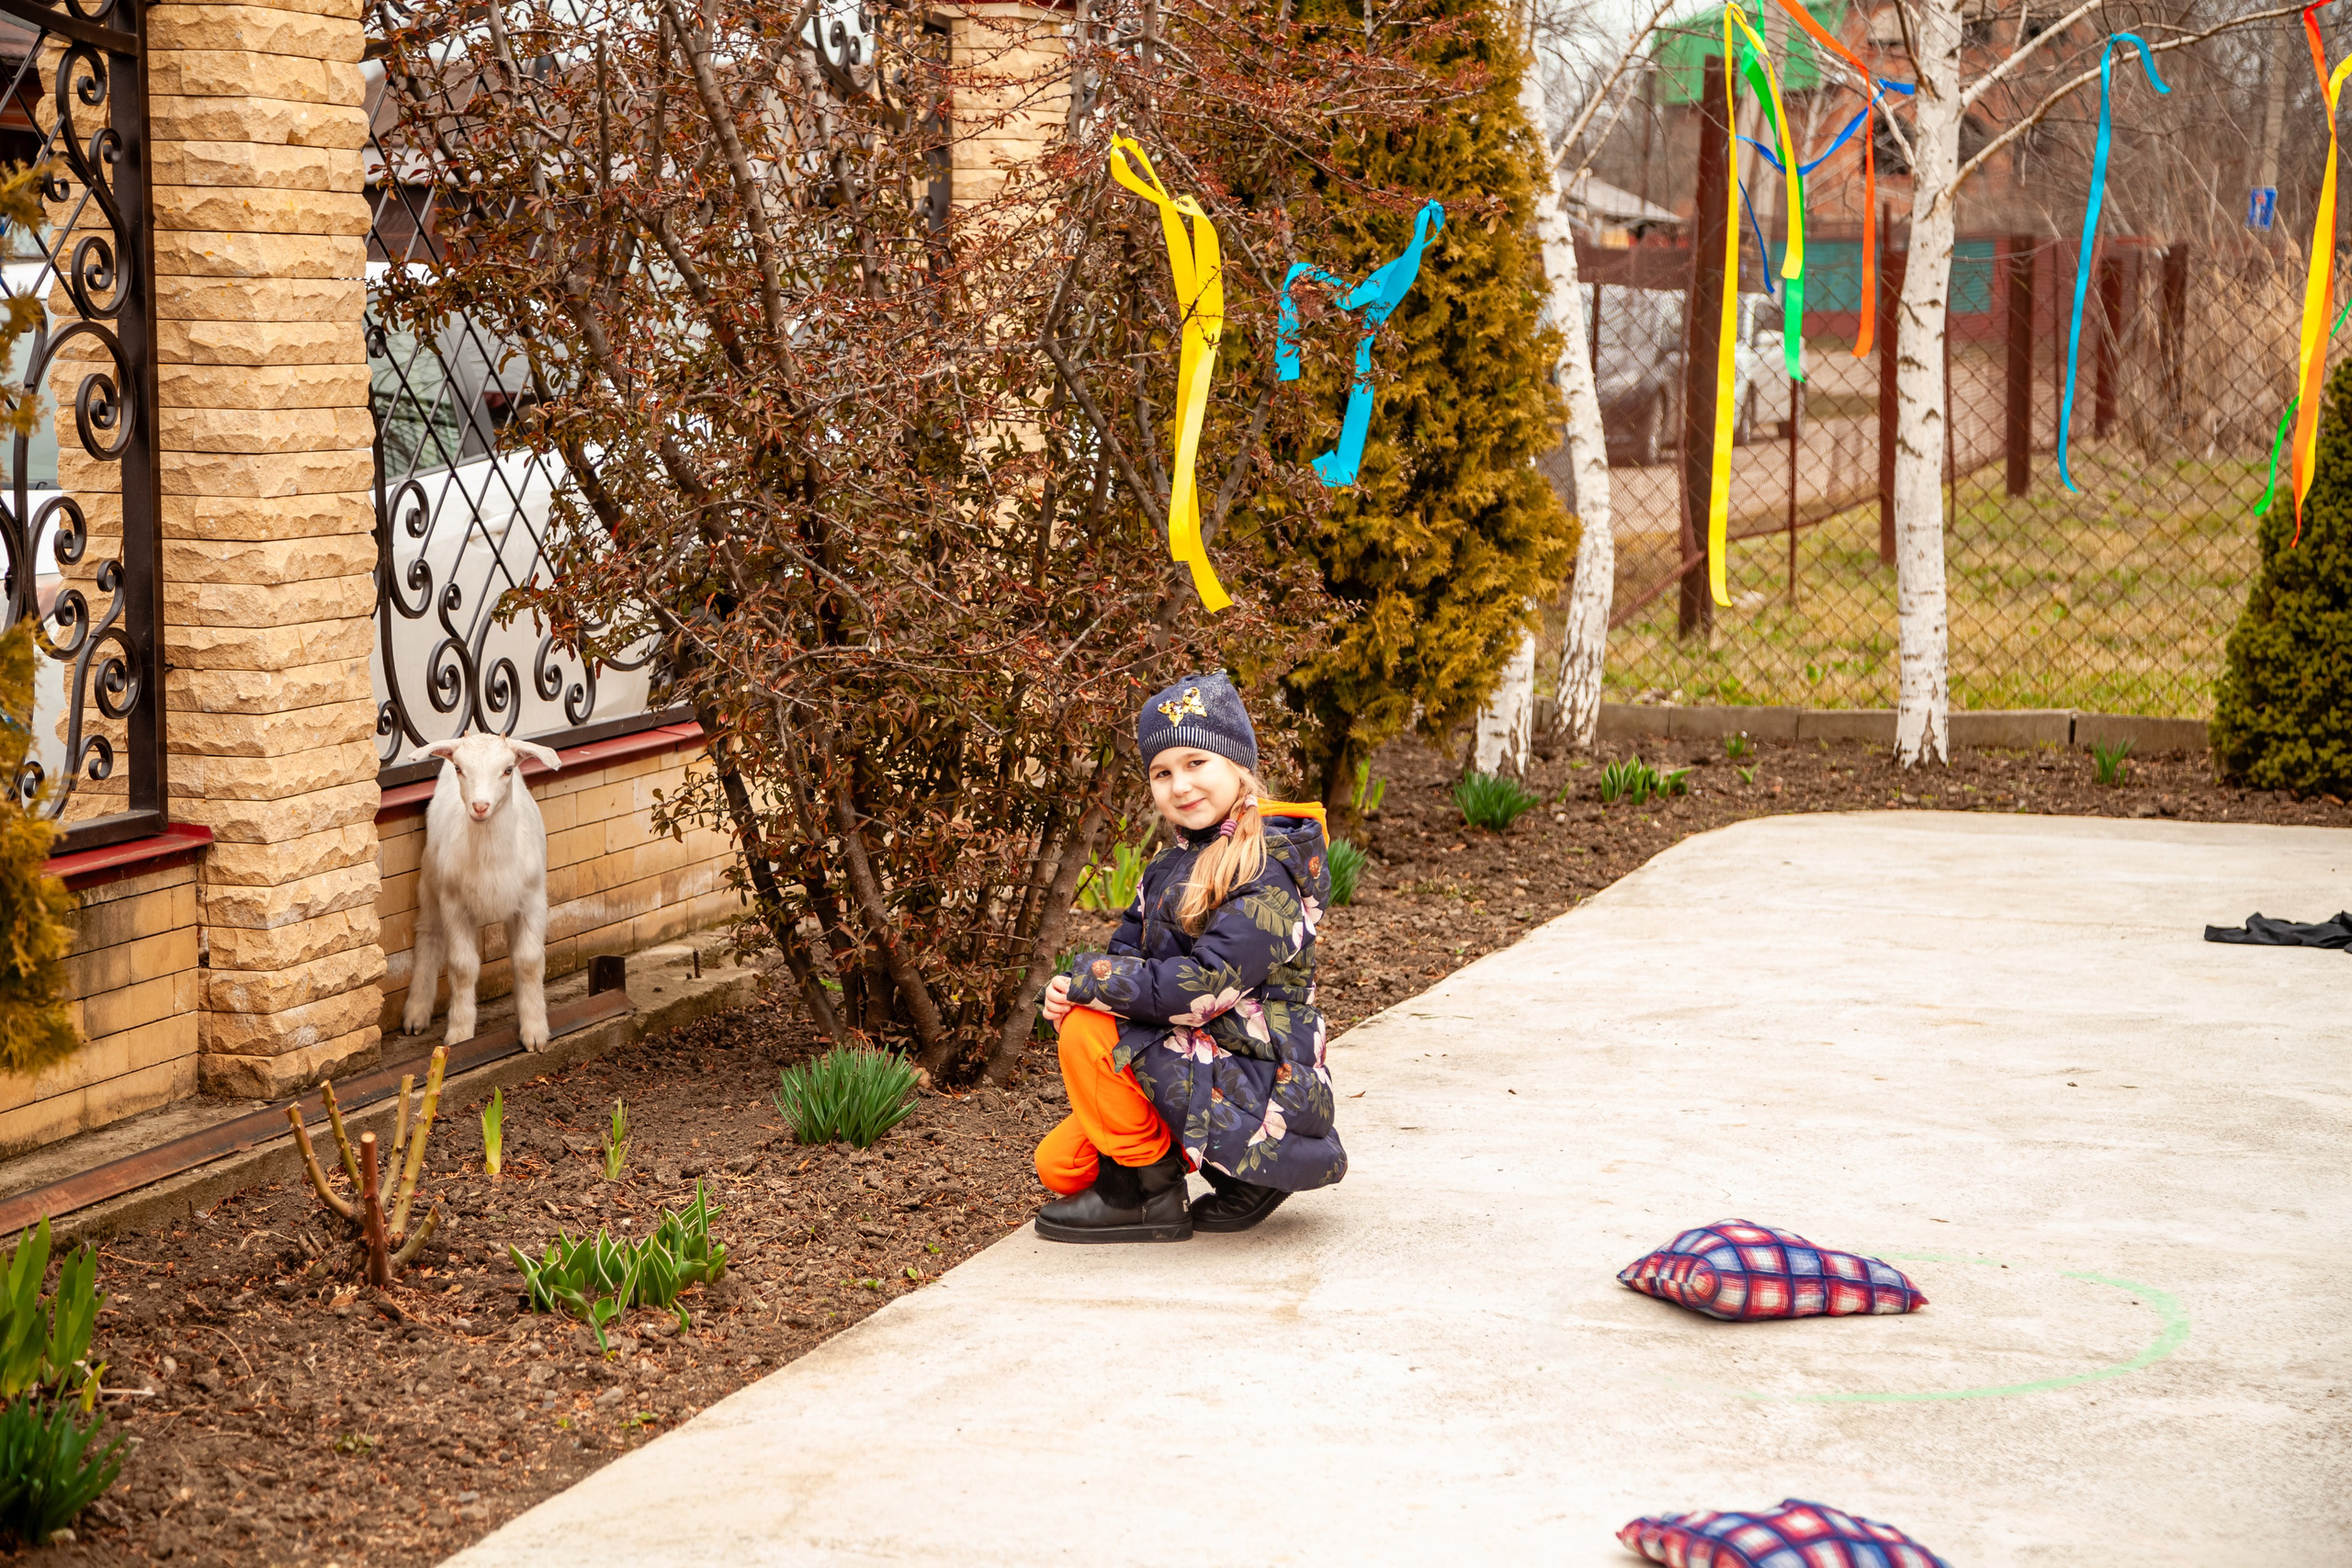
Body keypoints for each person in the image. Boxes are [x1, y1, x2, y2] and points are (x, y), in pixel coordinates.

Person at [1035, 671, 1347, 1244]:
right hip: (1204, 1059)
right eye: (1162, 772)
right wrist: (1075, 985)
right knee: (1062, 1165)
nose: (1180, 785)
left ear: (1239, 766)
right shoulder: (1166, 868)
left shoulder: (1266, 867)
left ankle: (1150, 1198)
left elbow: (1201, 988)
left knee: (1086, 1032)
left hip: (1261, 1080)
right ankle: (1197, 1169)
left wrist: (1090, 986)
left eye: (1196, 762)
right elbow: (1126, 957)